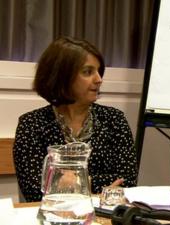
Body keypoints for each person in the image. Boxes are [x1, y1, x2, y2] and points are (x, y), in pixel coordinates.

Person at [13, 37, 138, 202]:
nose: (99, 79)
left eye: (99, 71)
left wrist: (76, 182)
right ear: (61, 75)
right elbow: (34, 190)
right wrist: (98, 187)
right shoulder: (31, 124)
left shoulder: (114, 119)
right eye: (88, 72)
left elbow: (128, 181)